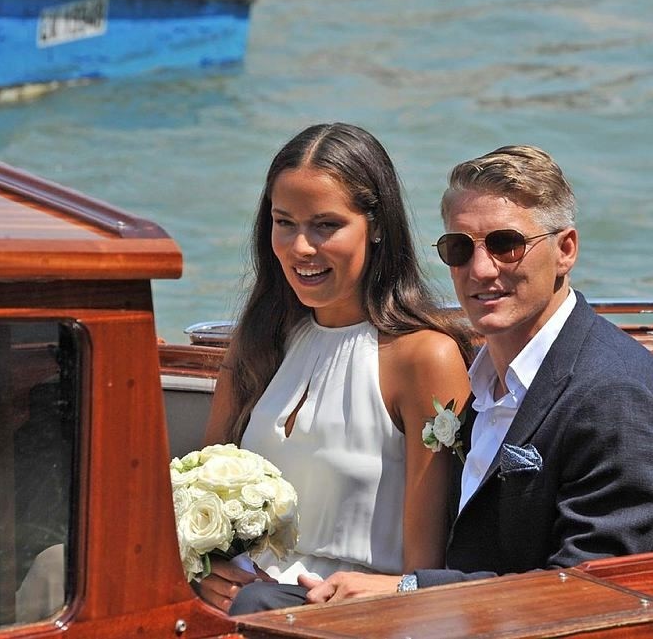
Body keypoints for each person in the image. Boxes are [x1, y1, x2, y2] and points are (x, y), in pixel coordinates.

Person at [243, 143, 653, 608]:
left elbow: (589, 590)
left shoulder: (613, 395)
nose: (480, 270)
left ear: (566, 250)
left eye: (507, 244)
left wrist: (407, 589)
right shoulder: (478, 386)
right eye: (459, 248)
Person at [198, 123, 472, 614]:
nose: (301, 247)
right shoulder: (259, 340)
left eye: (326, 225)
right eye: (284, 222)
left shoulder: (424, 358)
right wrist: (204, 574)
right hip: (245, 605)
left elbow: (423, 568)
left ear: (378, 225)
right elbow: (196, 499)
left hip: (356, 615)